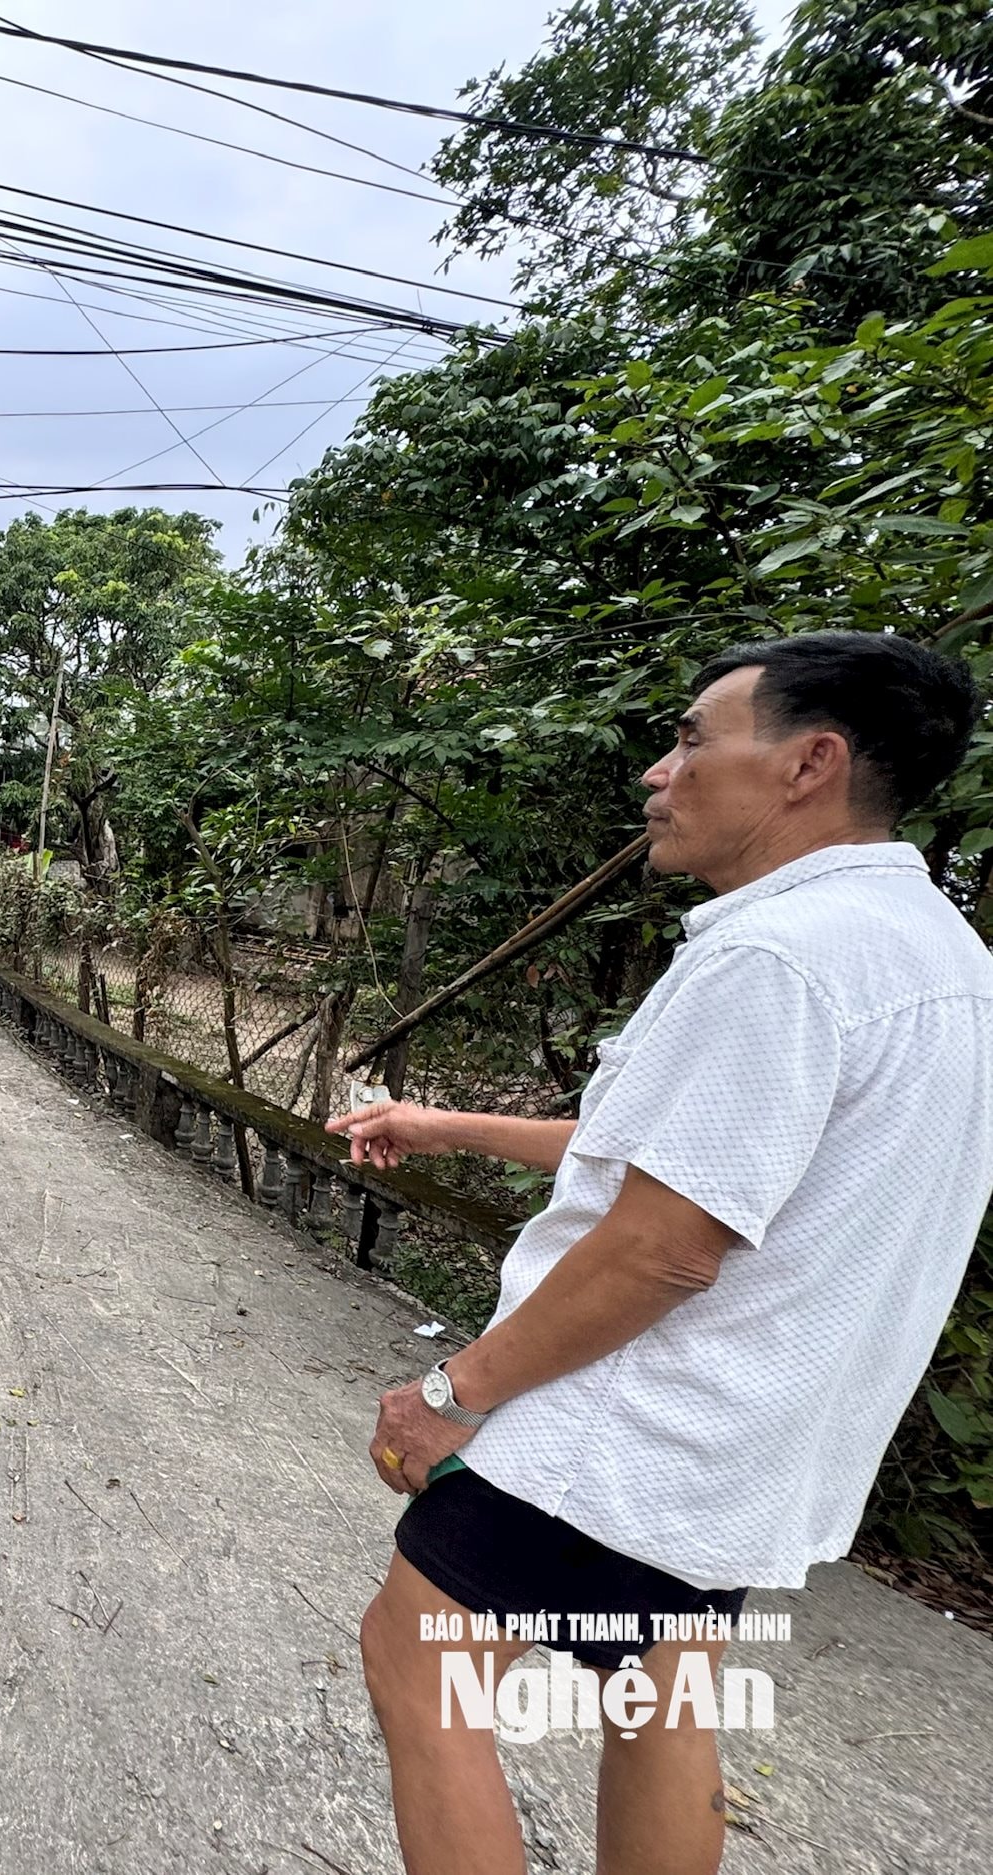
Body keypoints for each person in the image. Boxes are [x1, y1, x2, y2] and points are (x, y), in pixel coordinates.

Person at [325, 631, 992, 1875]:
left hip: (625, 1432)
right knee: (658, 1692)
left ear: (809, 763)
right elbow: (683, 1152)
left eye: (692, 738)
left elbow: (661, 1248)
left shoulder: (771, 956)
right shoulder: (938, 955)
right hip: (754, 1443)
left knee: (418, 1667)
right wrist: (440, 1124)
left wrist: (447, 1394)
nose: (657, 771)